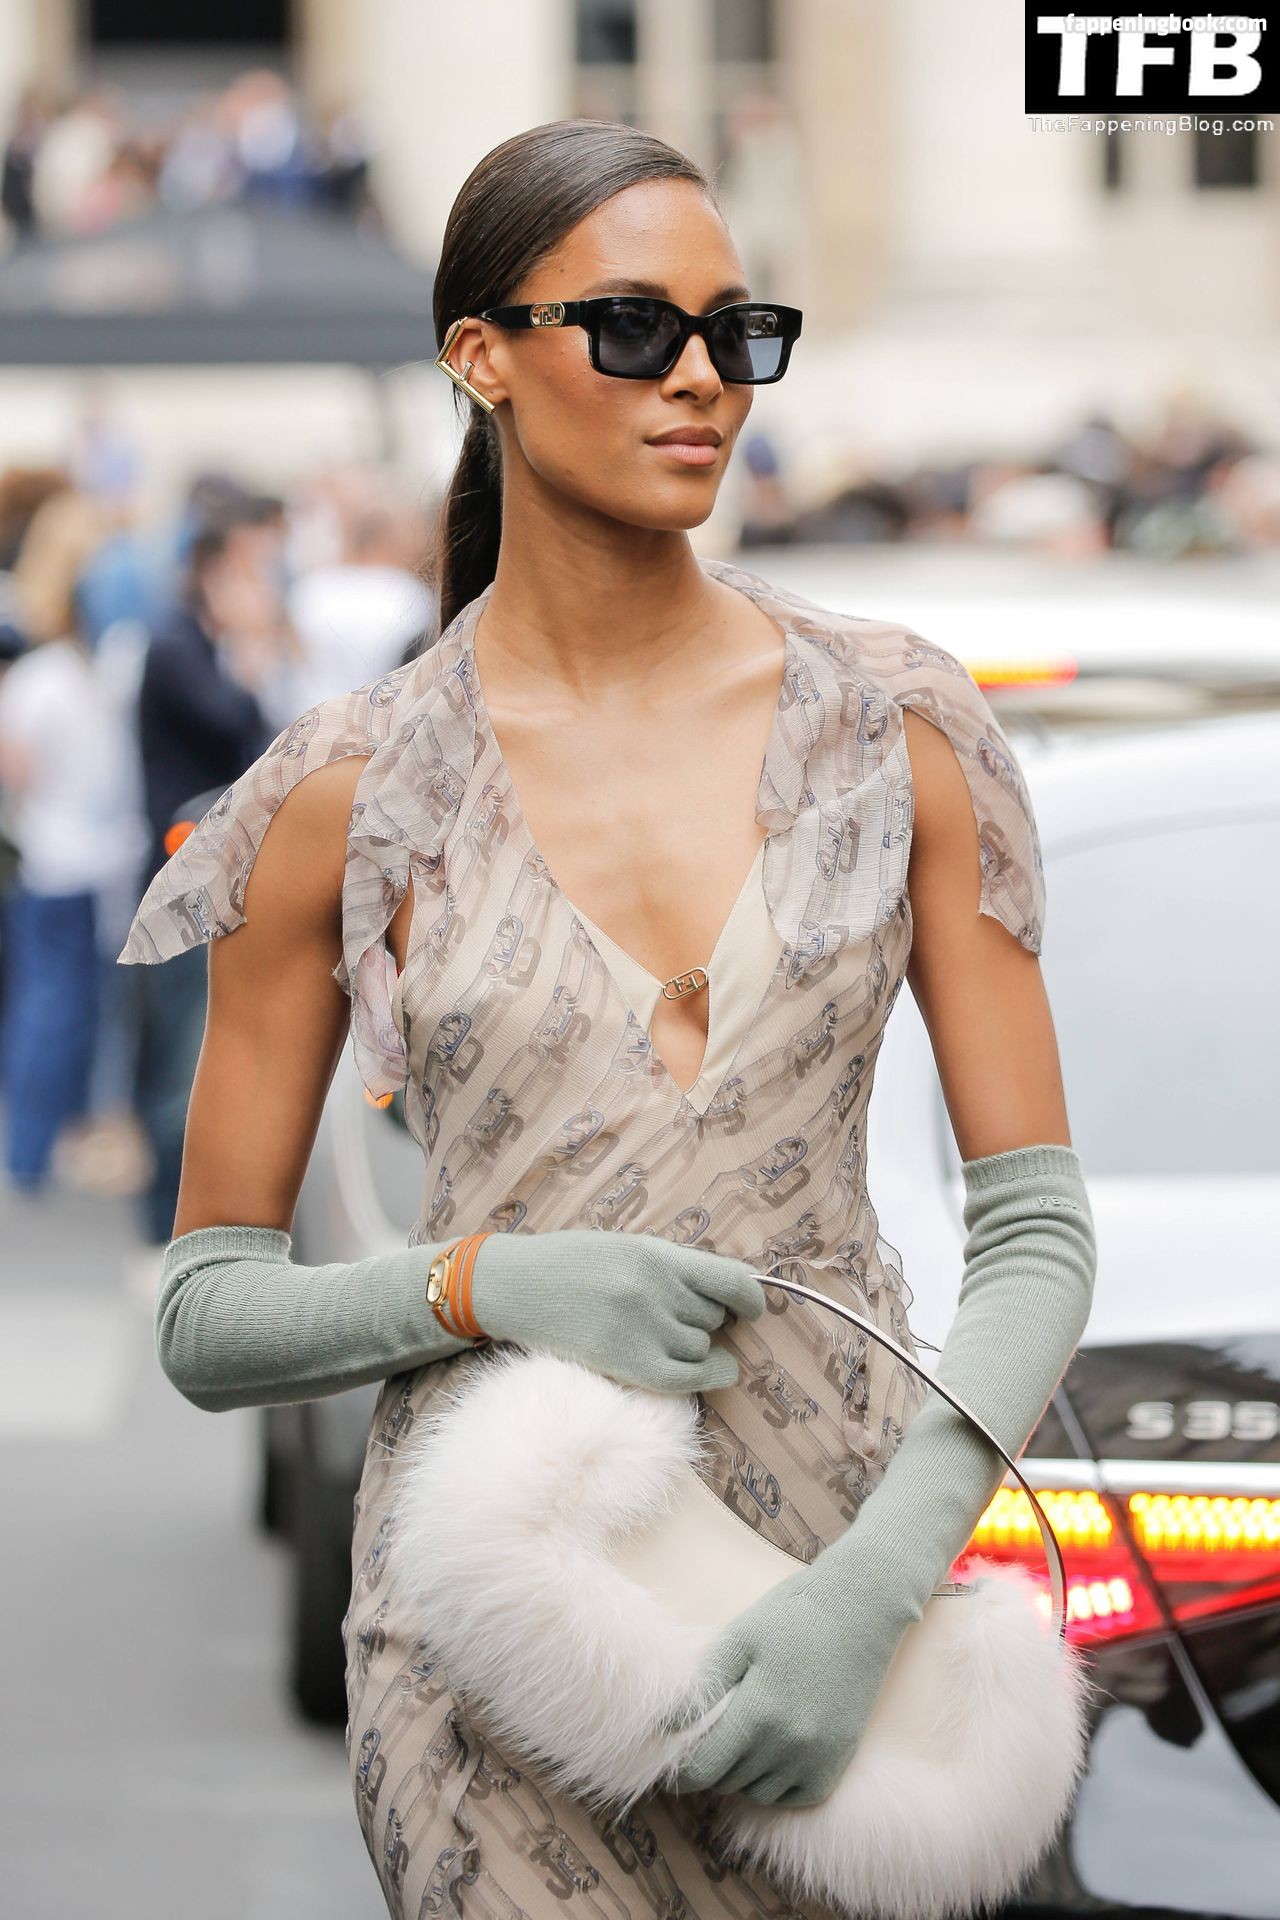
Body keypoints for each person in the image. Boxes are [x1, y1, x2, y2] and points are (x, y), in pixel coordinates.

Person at [116, 119, 1096, 1918]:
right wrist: (483, 1283)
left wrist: (873, 1587)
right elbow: (205, 1309)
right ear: (479, 355)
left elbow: (1036, 1229)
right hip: (496, 1635)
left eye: (739, 330)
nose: (703, 377)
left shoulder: (900, 728)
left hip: (844, 1586)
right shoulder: (343, 793)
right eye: (636, 327)